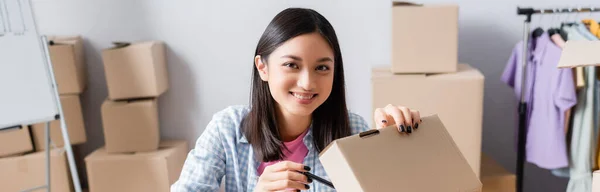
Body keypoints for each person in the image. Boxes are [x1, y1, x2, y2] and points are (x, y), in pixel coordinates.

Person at [171, 7, 421, 192]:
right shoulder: (226, 129)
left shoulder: (352, 131)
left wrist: (398, 147)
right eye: (292, 65)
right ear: (262, 67)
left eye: (322, 68)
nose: (307, 83)